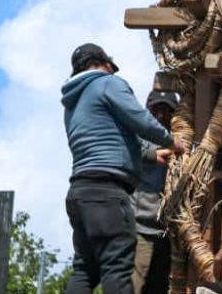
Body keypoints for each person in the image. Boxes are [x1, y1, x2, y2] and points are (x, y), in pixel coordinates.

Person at [61, 42, 184, 294]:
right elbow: (141, 121)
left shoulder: (73, 102)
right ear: (104, 64)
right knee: (117, 266)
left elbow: (110, 139)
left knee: (85, 269)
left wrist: (151, 154)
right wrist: (171, 141)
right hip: (107, 193)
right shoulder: (108, 83)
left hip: (79, 192)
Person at [132, 90, 179, 294]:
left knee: (158, 287)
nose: (161, 116)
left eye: (167, 111)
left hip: (163, 231)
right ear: (147, 110)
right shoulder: (137, 137)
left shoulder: (177, 140)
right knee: (133, 285)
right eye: (156, 110)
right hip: (138, 227)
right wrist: (154, 154)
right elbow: (125, 152)